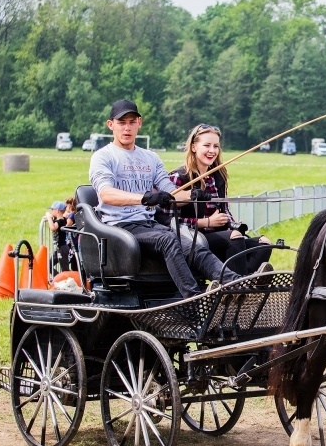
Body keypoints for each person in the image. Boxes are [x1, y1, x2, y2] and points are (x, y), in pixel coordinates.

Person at [88, 99, 244, 298]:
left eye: (131, 122)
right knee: (169, 239)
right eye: (121, 123)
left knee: (192, 245)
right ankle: (193, 299)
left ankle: (234, 283)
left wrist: (193, 195)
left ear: (139, 123)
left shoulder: (150, 158)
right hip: (120, 227)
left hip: (149, 224)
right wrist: (146, 198)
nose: (127, 128)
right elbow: (106, 194)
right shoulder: (103, 157)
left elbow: (171, 193)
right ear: (111, 125)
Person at [169, 124, 273, 276]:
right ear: (193, 147)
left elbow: (225, 209)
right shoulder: (179, 177)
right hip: (192, 238)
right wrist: (206, 222)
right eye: (207, 145)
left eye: (216, 146)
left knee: (264, 243)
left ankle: (246, 283)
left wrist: (233, 224)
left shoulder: (217, 177)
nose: (212, 151)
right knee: (234, 238)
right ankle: (237, 288)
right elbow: (167, 221)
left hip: (220, 235)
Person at [45, 201, 70, 272]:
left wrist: (49, 217)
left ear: (57, 211)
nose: (51, 211)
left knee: (65, 269)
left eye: (52, 210)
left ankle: (66, 280)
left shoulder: (60, 221)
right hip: (59, 248)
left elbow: (53, 228)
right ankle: (59, 279)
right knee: (48, 266)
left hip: (62, 249)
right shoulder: (62, 219)